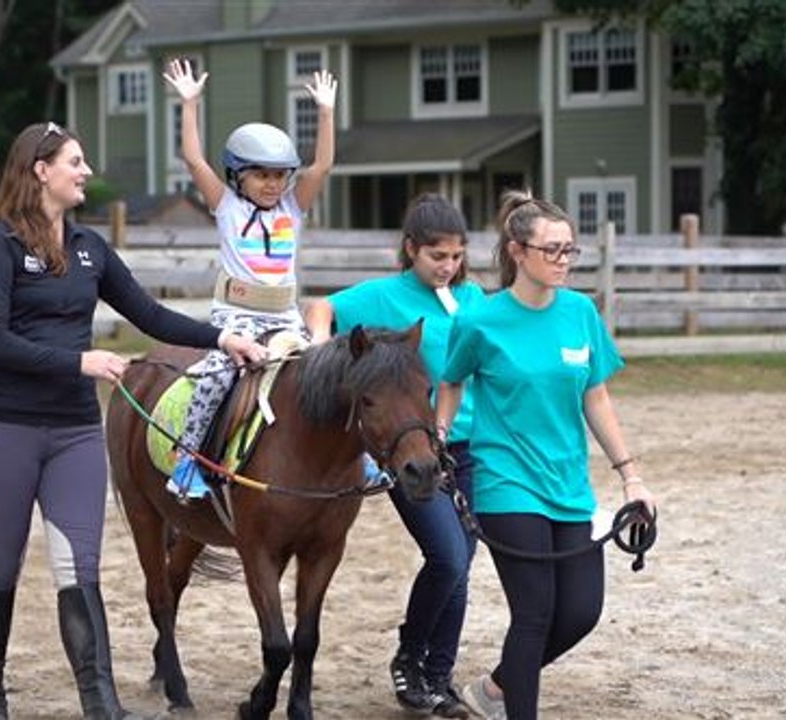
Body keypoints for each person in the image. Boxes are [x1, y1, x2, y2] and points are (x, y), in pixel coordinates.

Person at [0, 121, 265, 720]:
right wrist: (80, 361)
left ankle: (102, 705)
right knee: (0, 566)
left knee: (79, 568)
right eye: (75, 161)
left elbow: (149, 313)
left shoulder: (89, 247)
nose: (87, 172)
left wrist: (223, 338)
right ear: (40, 170)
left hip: (71, 432)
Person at [434, 190, 656, 720]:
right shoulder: (480, 320)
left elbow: (595, 397)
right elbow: (451, 380)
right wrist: (440, 433)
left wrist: (631, 477)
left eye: (569, 250)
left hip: (569, 483)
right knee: (533, 614)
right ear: (518, 251)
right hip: (506, 481)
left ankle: (494, 690)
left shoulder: (580, 313)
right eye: (552, 249)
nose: (563, 260)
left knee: (580, 612)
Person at [304, 194, 484, 719]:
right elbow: (322, 307)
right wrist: (319, 343)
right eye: (437, 256)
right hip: (413, 449)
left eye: (456, 256)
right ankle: (409, 658)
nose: (447, 266)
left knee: (460, 566)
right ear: (411, 250)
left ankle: (438, 677)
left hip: (473, 448)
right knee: (448, 556)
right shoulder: (384, 296)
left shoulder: (473, 298)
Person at [161, 57, 337, 499]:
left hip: (286, 318)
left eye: (279, 175)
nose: (272, 184)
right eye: (260, 175)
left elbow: (321, 167)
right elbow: (193, 159)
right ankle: (188, 460)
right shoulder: (227, 207)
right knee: (219, 373)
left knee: (328, 370)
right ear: (237, 176)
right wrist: (189, 104)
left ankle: (360, 457)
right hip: (237, 316)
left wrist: (326, 112)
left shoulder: (293, 208)